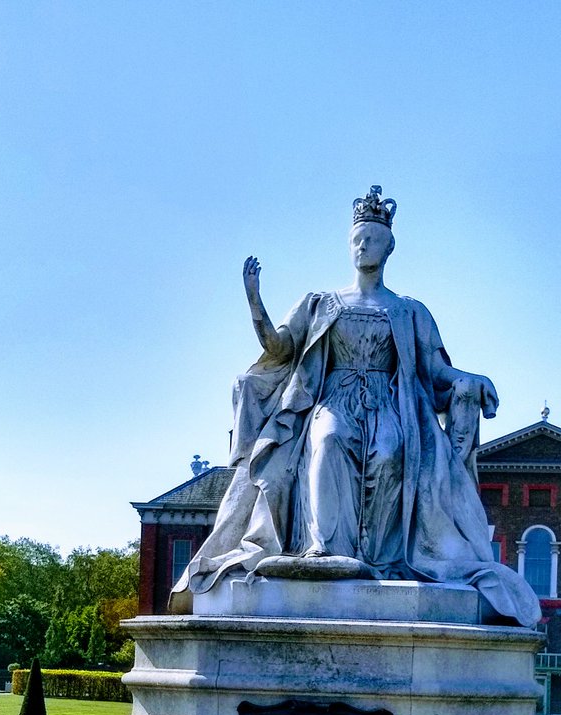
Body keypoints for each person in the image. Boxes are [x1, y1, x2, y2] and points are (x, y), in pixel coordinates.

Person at [171, 187, 541, 628]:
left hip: (389, 406)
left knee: (390, 452)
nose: (362, 245)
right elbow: (279, 349)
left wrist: (470, 380)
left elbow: (437, 371)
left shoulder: (408, 312)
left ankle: (381, 562)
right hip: (333, 400)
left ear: (389, 247)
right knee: (327, 442)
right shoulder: (321, 303)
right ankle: (324, 550)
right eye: (357, 239)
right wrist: (255, 303)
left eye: (371, 239)